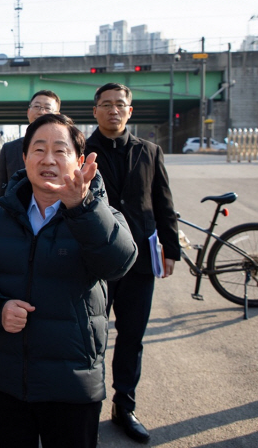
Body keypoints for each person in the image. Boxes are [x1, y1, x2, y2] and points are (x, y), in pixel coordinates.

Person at [0, 113, 137, 448]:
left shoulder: (98, 212)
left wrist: (80, 208)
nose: (48, 159)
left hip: (72, 384)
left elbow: (118, 263)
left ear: (79, 161)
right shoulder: (0, 216)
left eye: (60, 150)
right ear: (24, 158)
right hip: (8, 381)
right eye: (38, 149)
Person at [86, 82, 180, 444]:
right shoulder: (81, 149)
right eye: (106, 105)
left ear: (129, 111)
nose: (113, 110)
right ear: (95, 111)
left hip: (139, 261)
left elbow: (163, 203)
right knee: (89, 335)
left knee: (132, 337)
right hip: (93, 262)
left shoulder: (150, 151)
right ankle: (87, 401)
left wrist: (170, 250)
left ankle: (124, 406)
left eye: (120, 105)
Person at [0, 90, 60, 204]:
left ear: (57, 115)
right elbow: (0, 191)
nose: (41, 112)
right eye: (36, 106)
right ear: (28, 112)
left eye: (47, 108)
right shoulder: (9, 149)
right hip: (15, 214)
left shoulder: (66, 150)